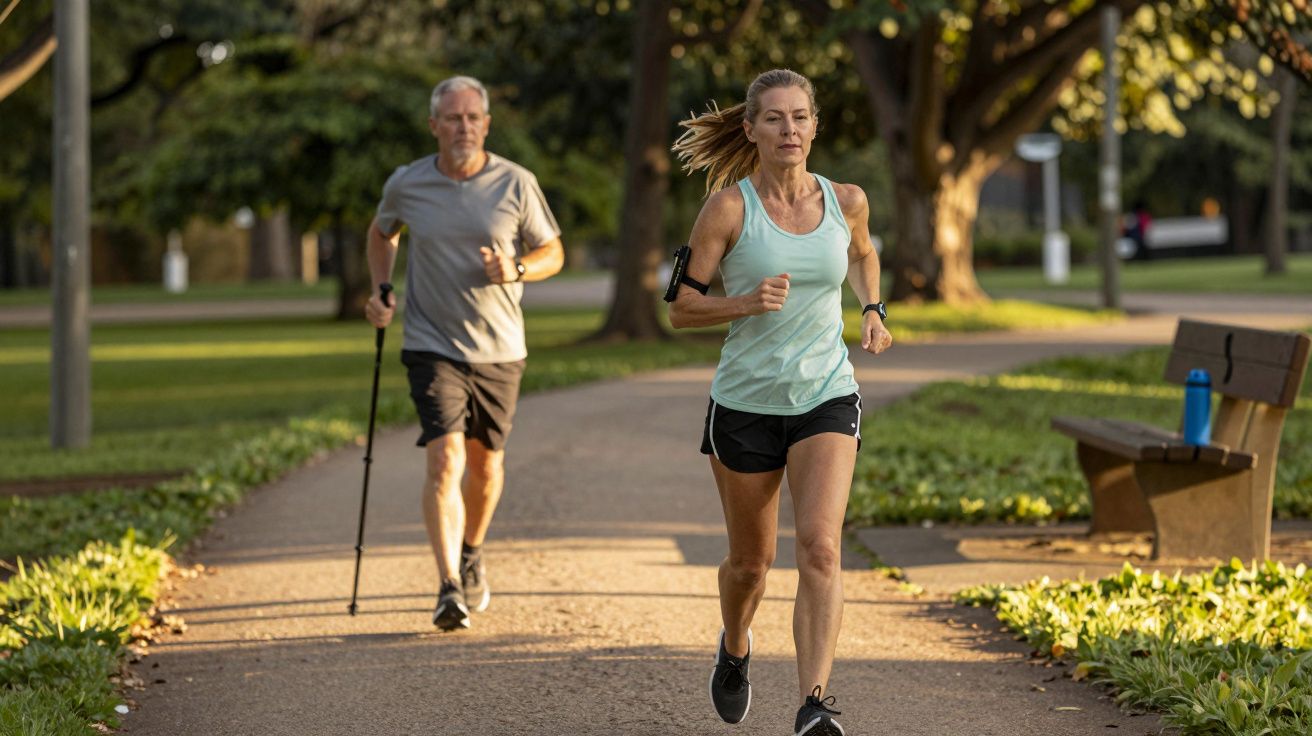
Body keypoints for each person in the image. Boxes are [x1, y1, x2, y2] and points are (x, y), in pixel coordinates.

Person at [668, 69, 892, 735]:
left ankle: (814, 703)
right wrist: (745, 301)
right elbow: (681, 309)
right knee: (751, 564)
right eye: (773, 118)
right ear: (751, 129)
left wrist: (872, 310)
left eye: (799, 117)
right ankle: (735, 645)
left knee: (821, 547)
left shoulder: (847, 198)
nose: (788, 129)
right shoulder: (727, 209)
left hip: (827, 393)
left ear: (814, 126)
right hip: (745, 403)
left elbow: (863, 254)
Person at [364, 75, 564, 631]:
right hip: (431, 343)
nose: (463, 127)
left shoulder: (515, 183)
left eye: (473, 117)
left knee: (486, 464)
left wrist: (519, 268)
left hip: (501, 347)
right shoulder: (408, 184)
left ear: (486, 124)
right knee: (446, 457)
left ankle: (472, 550)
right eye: (452, 118)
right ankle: (448, 583)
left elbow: (552, 250)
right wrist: (381, 289)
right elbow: (382, 233)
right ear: (434, 126)